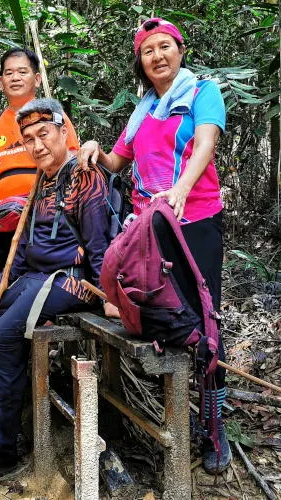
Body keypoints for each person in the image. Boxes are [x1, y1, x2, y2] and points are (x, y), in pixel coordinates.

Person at [77, 17, 231, 474]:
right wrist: (92, 149)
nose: (158, 56)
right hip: (147, 226)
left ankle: (213, 424)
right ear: (141, 63)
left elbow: (205, 144)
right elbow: (117, 162)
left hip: (195, 217)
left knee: (206, 318)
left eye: (165, 47)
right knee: (151, 308)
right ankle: (162, 407)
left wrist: (181, 188)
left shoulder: (204, 93)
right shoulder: (142, 109)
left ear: (180, 51)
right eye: (149, 51)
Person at [0, 98, 113, 488]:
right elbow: (20, 252)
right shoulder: (41, 180)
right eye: (29, 139)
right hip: (34, 279)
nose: (37, 145)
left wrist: (109, 296)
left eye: (44, 134)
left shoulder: (84, 176)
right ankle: (4, 431)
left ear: (63, 132)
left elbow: (100, 244)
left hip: (71, 281)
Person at [0, 47, 79, 311]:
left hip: (44, 214)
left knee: (28, 278)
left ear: (36, 79)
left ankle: (17, 341)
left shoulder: (53, 116)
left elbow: (74, 164)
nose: (15, 78)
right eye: (8, 73)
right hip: (3, 216)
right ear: (0, 82)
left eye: (22, 72)